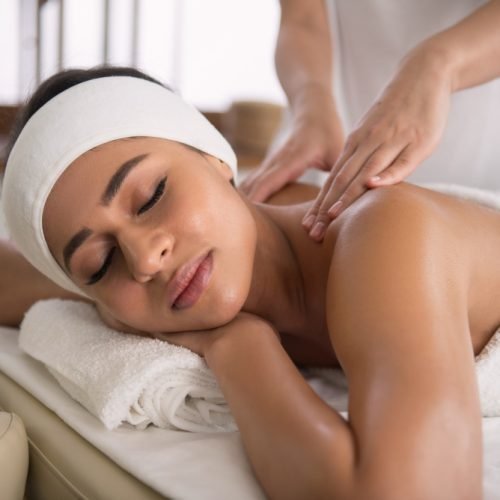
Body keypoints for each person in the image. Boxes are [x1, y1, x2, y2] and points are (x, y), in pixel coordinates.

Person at [2, 66, 500, 499]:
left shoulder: (384, 232)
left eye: (152, 196)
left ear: (217, 159)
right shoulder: (144, 283)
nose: (146, 257)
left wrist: (240, 347)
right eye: (99, 262)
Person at [240, 0, 500, 243]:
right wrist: (311, 103)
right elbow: (302, 18)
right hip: (321, 151)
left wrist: (438, 65)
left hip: (478, 160)